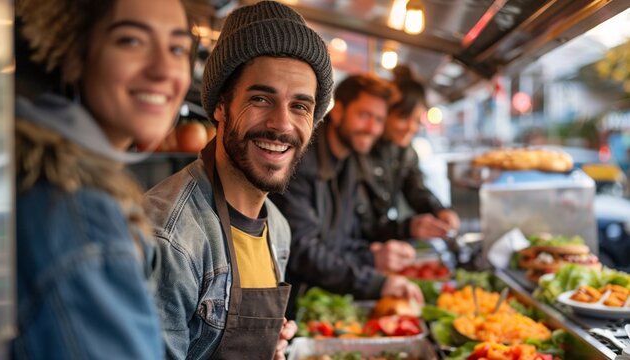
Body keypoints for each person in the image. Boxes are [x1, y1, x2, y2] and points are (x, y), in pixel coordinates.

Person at [143, 2, 333, 359]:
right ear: (221, 106)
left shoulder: (276, 227)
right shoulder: (169, 237)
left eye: (300, 106)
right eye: (261, 98)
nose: (281, 124)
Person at [13, 0, 193, 358]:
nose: (163, 70)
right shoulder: (79, 212)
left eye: (177, 48)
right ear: (75, 55)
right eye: (131, 41)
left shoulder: (40, 175)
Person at [270, 74, 423, 314]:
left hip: (323, 294)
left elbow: (342, 238)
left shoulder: (350, 161)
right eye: (364, 115)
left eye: (379, 119)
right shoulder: (299, 162)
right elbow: (303, 250)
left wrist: (374, 254)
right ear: (339, 111)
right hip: (291, 305)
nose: (372, 128)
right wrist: (376, 280)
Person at [357, 66, 460, 242]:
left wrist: (439, 210)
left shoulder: (405, 150)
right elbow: (362, 223)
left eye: (417, 121)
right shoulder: (361, 149)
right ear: (386, 113)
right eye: (404, 118)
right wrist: (407, 227)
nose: (411, 128)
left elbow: (416, 189)